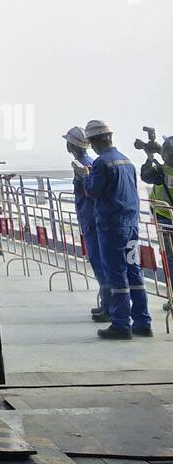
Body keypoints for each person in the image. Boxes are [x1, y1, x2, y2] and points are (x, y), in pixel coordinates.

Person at [78, 119, 152, 339]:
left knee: (116, 274)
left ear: (94, 141)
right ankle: (142, 321)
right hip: (130, 224)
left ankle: (121, 324)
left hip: (111, 226)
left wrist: (84, 176)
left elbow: (93, 191)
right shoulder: (126, 160)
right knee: (133, 271)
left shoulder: (101, 163)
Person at [64, 126, 109, 321]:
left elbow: (91, 193)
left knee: (100, 264)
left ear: (71, 145)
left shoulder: (84, 166)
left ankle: (108, 307)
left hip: (92, 220)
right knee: (100, 263)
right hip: (90, 219)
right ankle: (107, 304)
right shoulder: (88, 163)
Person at [139, 134, 173, 314]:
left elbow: (145, 174)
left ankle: (172, 298)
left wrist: (149, 155)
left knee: (170, 262)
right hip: (166, 219)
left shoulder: (161, 172)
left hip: (165, 220)